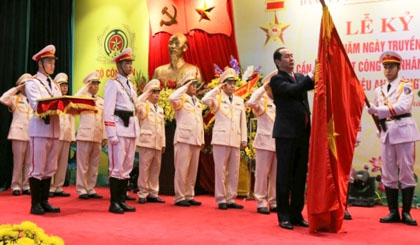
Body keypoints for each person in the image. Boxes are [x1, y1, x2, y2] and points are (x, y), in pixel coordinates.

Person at [367, 51, 420, 226]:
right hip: (387, 133)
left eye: (391, 66)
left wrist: (378, 110)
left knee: (406, 171)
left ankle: (406, 212)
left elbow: (403, 107)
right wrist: (377, 116)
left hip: (403, 131)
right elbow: (379, 115)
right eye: (385, 66)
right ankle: (392, 212)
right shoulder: (379, 89)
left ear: (398, 67)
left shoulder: (406, 86)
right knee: (388, 172)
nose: (387, 70)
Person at [269, 47, 314, 229]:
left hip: (303, 133)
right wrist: (312, 74)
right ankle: (284, 216)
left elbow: (313, 83)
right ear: (278, 62)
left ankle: (297, 214)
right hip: (286, 134)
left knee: (299, 176)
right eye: (286, 56)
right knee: (284, 176)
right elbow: (294, 90)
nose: (291, 59)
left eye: (292, 55)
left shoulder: (302, 77)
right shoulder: (277, 80)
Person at [202, 68, 247, 210]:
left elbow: (243, 121)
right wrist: (217, 89)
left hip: (235, 138)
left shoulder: (239, 100)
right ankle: (221, 198)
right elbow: (204, 100)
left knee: (233, 170)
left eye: (234, 82)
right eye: (229, 83)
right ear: (223, 84)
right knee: (220, 170)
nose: (233, 85)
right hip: (221, 138)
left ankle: (231, 198)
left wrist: (244, 139)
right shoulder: (217, 98)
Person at [25, 44, 62, 215]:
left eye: (54, 62)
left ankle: (45, 200)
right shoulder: (33, 82)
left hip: (54, 129)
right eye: (49, 62)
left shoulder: (54, 85)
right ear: (40, 63)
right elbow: (36, 103)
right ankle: (35, 203)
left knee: (50, 168)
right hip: (39, 129)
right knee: (37, 167)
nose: (52, 65)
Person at [104, 48, 138, 214]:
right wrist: (111, 134)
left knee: (126, 167)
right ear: (119, 65)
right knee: (116, 167)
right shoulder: (113, 84)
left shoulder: (130, 85)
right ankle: (114, 202)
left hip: (130, 129)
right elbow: (108, 110)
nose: (130, 66)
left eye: (131, 63)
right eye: (126, 63)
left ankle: (122, 200)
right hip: (118, 128)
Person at [169, 70, 204, 207]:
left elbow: (199, 121)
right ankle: (179, 196)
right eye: (192, 84)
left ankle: (189, 194)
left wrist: (201, 139)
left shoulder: (197, 101)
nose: (194, 86)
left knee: (192, 170)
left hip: (195, 138)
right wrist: (184, 86)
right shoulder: (181, 99)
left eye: (195, 84)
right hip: (183, 138)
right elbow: (172, 98)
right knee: (182, 169)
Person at [246, 70, 277, 215]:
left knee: (276, 175)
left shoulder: (280, 102)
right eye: (273, 86)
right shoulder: (262, 102)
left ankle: (273, 201)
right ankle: (260, 201)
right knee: (262, 174)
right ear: (268, 87)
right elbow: (251, 102)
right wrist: (263, 88)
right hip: (264, 143)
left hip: (278, 143)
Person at [75, 71, 106, 200]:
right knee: (83, 163)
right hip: (85, 134)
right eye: (93, 84)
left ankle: (90, 188)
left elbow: (104, 119)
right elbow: (75, 99)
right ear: (88, 85)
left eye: (97, 84)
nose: (95, 86)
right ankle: (82, 189)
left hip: (97, 135)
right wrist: (85, 88)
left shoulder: (101, 101)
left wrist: (104, 136)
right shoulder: (83, 98)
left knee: (94, 163)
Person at [0, 73, 33, 196]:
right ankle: (16, 186)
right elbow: (2, 99)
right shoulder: (15, 98)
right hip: (18, 133)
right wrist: (17, 89)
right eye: (25, 85)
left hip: (32, 134)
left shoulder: (34, 99)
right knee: (18, 162)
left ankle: (26, 185)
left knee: (29, 162)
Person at [135, 79, 166, 204]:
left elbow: (162, 127)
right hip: (147, 141)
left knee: (155, 169)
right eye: (154, 92)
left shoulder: (160, 109)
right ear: (148, 93)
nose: (157, 95)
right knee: (144, 168)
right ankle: (142, 193)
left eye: (158, 92)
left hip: (157, 142)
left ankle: (153, 193)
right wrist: (145, 94)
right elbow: (135, 104)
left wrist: (163, 143)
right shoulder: (143, 106)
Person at [49, 73, 74, 197]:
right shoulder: (53, 100)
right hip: (56, 134)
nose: (64, 88)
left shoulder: (68, 101)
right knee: (53, 161)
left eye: (66, 86)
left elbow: (72, 119)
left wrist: (72, 137)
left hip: (66, 135)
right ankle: (51, 186)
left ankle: (58, 186)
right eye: (62, 85)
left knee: (63, 162)